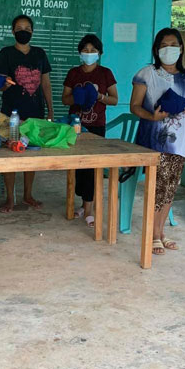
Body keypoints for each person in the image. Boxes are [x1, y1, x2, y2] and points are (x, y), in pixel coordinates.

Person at [130, 27, 185, 255]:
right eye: (163, 44)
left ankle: (160, 233)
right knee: (158, 188)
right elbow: (135, 106)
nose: (168, 49)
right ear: (156, 49)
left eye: (173, 44)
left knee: (170, 188)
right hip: (154, 140)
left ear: (181, 49)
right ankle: (152, 234)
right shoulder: (146, 73)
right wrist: (153, 116)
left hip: (180, 142)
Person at [0, 14, 53, 212]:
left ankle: (28, 195)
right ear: (12, 31)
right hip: (11, 115)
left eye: (27, 28)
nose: (23, 31)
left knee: (31, 155)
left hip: (35, 113)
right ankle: (10, 198)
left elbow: (45, 83)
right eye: (19, 27)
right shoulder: (5, 54)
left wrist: (50, 111)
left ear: (32, 31)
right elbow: (0, 86)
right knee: (10, 156)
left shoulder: (39, 54)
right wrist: (4, 84)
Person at [61, 34, 118, 227]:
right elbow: (64, 99)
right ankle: (82, 203)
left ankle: (89, 209)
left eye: (93, 50)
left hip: (96, 126)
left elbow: (114, 99)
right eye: (85, 50)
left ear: (100, 53)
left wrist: (100, 96)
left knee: (93, 167)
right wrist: (76, 98)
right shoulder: (74, 73)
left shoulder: (105, 73)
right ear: (79, 52)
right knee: (79, 167)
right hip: (76, 127)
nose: (89, 53)